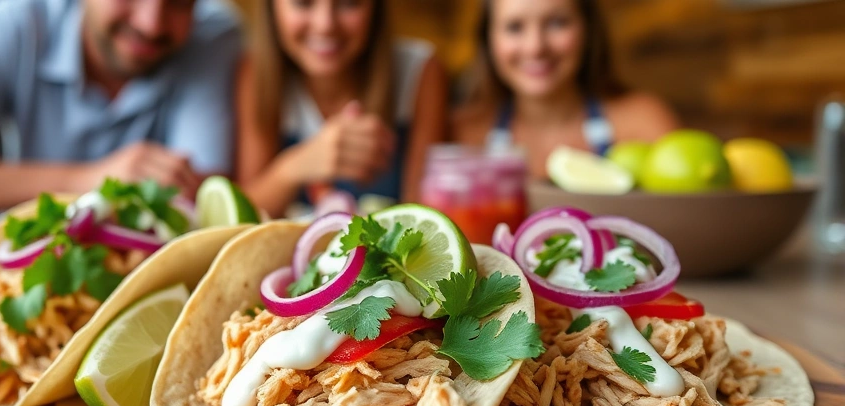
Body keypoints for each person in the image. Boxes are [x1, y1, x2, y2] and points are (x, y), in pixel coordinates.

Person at [0, 0, 242, 214]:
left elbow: (202, 199)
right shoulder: (20, 21)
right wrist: (84, 180)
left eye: (179, 2)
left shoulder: (213, 39)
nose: (151, 23)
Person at [235, 0, 448, 217]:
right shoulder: (258, 74)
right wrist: (296, 165)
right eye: (303, 2)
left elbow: (424, 218)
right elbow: (242, 217)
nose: (325, 25)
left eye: (349, 2)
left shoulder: (420, 73)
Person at [453, 0, 679, 179]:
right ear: (488, 38)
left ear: (588, 29)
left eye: (557, 23)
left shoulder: (645, 122)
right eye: (514, 27)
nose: (535, 47)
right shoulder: (460, 135)